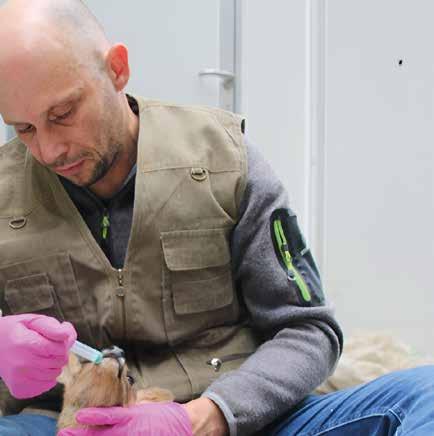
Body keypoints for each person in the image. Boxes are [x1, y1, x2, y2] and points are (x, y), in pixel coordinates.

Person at [0, 1, 433, 436]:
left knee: (425, 393)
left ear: (117, 69)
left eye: (63, 114)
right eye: (24, 128)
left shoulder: (225, 161)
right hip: (62, 424)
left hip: (232, 415)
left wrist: (206, 417)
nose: (49, 150)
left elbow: (309, 329)